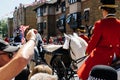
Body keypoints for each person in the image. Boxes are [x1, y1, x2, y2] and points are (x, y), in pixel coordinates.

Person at [77, 0, 120, 80]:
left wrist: (88, 51)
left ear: (105, 11)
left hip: (103, 54)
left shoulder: (100, 24)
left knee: (84, 72)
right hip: (116, 54)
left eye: (102, 11)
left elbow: (94, 41)